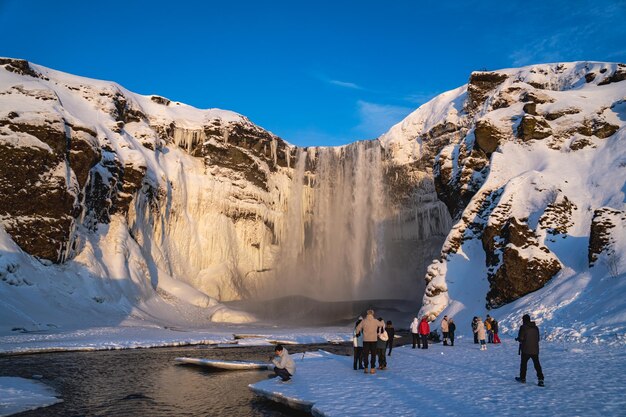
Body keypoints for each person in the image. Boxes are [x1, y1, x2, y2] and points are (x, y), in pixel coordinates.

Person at [515, 314, 544, 386]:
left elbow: (521, 338)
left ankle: (523, 378)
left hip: (526, 349)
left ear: (524, 320)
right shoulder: (536, 327)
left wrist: (518, 339)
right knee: (537, 365)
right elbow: (538, 339)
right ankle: (541, 379)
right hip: (535, 349)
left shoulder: (523, 327)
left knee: (524, 364)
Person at [355, 309, 385, 374]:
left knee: (365, 354)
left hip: (366, 340)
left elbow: (358, 328)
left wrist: (357, 333)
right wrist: (382, 320)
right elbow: (381, 324)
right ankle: (372, 368)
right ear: (372, 314)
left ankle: (366, 368)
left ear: (367, 314)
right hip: (374, 340)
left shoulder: (364, 321)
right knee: (373, 355)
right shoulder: (375, 321)